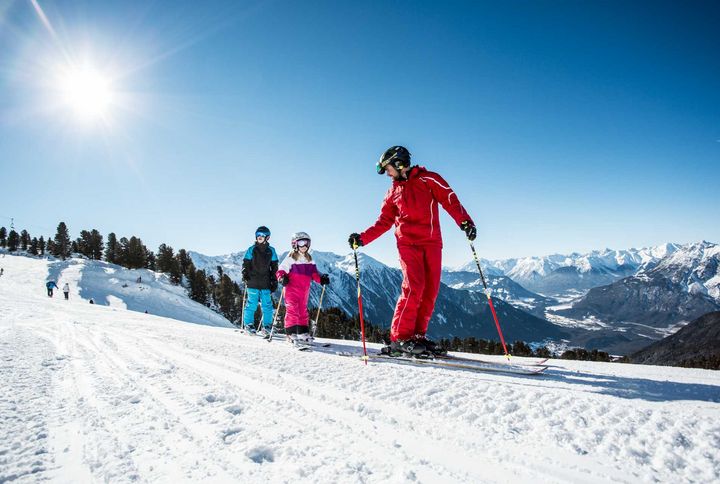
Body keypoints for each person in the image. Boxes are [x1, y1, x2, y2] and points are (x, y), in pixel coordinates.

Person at [348, 146, 476, 357]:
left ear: (399, 163)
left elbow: (449, 199)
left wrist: (465, 222)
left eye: (388, 169)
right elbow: (384, 222)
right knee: (414, 286)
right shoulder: (392, 192)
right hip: (407, 244)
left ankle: (417, 335)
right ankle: (399, 338)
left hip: (432, 243)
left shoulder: (429, 179)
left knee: (430, 290)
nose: (387, 174)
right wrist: (362, 238)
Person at [276, 232, 330, 344]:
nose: (304, 245)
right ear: (295, 244)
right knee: (292, 310)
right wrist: (281, 278)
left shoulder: (309, 260)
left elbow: (314, 274)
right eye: (301, 242)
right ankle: (290, 333)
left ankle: (302, 332)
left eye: (307, 243)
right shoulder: (290, 259)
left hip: (304, 291)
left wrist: (321, 279)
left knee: (303, 311)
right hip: (291, 290)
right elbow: (281, 270)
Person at [241, 226, 279, 336]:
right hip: (252, 281)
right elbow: (246, 263)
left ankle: (266, 326)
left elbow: (274, 267)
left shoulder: (271, 251)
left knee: (267, 305)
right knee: (251, 304)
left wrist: (274, 280)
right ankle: (248, 325)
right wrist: (245, 273)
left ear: (267, 238)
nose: (260, 237)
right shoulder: (252, 249)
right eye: (258, 235)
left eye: (262, 235)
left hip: (265, 282)